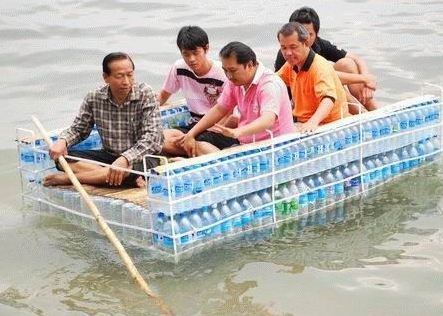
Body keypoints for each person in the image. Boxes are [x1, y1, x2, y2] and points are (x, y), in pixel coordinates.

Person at [43, 52, 164, 188]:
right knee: (63, 159)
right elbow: (79, 129)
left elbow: (152, 138)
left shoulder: (146, 94)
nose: (126, 81)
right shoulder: (94, 97)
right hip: (109, 156)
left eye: (130, 75)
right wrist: (63, 141)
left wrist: (125, 159)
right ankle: (113, 177)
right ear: (106, 77)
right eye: (119, 76)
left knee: (128, 171)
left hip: (141, 158)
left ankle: (68, 179)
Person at [183, 41, 294, 157]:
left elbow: (268, 119)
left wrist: (237, 131)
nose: (229, 76)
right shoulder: (235, 82)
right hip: (244, 142)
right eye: (225, 70)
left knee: (203, 148)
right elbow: (220, 109)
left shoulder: (269, 85)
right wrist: (191, 133)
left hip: (274, 147)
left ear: (250, 64)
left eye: (233, 70)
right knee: (196, 142)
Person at [274, 7, 378, 114]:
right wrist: (364, 78)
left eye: (309, 34)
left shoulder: (319, 44)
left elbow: (356, 58)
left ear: (317, 33)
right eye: (301, 35)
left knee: (347, 64)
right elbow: (325, 75)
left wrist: (367, 82)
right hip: (296, 100)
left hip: (317, 90)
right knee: (333, 82)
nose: (306, 39)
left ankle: (375, 110)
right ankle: (361, 114)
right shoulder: (289, 54)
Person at [158, 26, 238, 157]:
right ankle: (199, 151)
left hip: (218, 126)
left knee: (199, 141)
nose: (191, 59)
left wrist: (204, 132)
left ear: (206, 49)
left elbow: (228, 112)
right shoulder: (179, 68)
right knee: (159, 139)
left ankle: (195, 150)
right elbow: (162, 96)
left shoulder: (223, 73)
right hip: (194, 124)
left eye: (195, 53)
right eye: (186, 54)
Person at [277, 22, 350, 133]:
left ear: (306, 43)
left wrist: (313, 122)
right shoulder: (290, 65)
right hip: (302, 121)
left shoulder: (319, 66)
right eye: (283, 48)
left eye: (293, 47)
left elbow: (328, 98)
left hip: (329, 124)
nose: (288, 53)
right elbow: (274, 82)